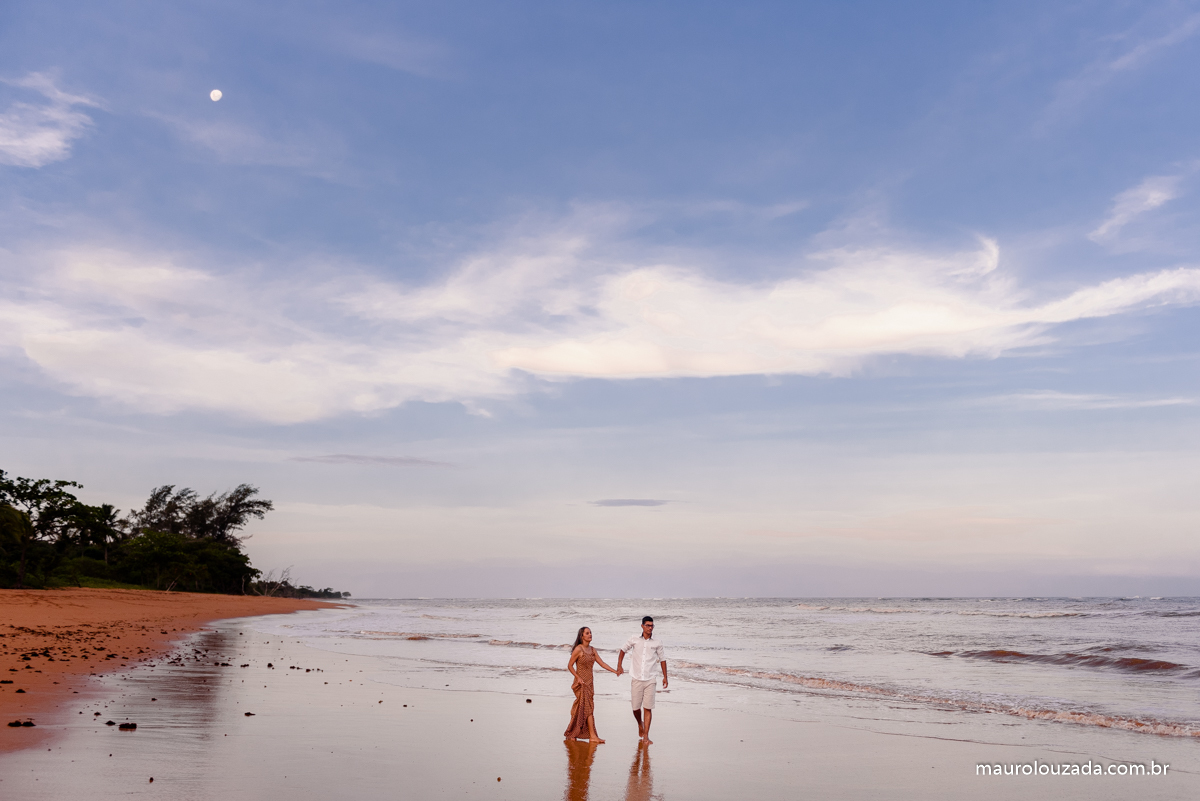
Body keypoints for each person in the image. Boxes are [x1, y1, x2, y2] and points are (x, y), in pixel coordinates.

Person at [615, 616, 667, 744]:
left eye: (652, 625)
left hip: (650, 678)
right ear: (642, 626)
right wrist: (619, 665)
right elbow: (622, 650)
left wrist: (665, 677)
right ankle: (640, 723)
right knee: (635, 708)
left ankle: (646, 736)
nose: (650, 628)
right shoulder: (634, 639)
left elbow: (662, 659)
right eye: (648, 625)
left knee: (648, 708)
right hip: (637, 678)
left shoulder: (657, 642)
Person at [564, 626, 618, 743]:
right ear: (582, 636)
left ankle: (572, 732)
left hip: (589, 683)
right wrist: (577, 677)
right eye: (587, 633)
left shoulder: (592, 650)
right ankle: (592, 736)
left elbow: (602, 663)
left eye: (590, 633)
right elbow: (570, 665)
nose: (590, 635)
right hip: (581, 683)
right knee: (588, 708)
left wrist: (615, 671)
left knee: (583, 708)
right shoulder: (579, 649)